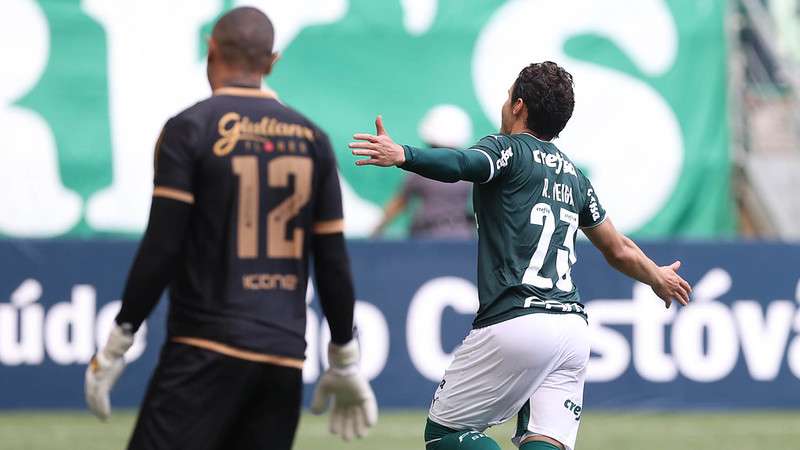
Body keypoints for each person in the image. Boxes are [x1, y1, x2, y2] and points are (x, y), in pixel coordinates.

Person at [349, 61, 691, 450]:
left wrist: (404, 154)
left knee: (444, 434)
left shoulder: (506, 150)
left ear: (518, 106)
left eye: (508, 94)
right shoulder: (574, 175)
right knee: (544, 438)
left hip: (517, 320)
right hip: (572, 330)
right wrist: (656, 276)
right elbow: (618, 248)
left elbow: (462, 163)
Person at [84, 7, 377, 450]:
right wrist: (344, 358)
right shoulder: (313, 139)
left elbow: (162, 248)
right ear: (272, 61)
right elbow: (332, 261)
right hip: (281, 357)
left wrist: (119, 340)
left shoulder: (188, 129)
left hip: (205, 345)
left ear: (211, 48)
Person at [372, 105, 475, 238]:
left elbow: (399, 203)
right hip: (462, 238)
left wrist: (375, 232)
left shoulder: (419, 168)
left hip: (427, 239)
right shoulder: (468, 168)